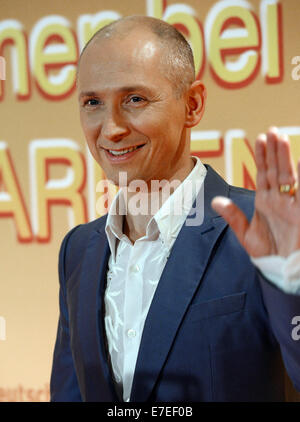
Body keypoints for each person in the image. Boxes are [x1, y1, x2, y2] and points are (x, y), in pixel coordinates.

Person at [50, 15, 300, 402]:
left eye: (135, 99)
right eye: (93, 103)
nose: (111, 127)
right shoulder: (78, 250)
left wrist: (293, 286)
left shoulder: (264, 230)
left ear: (193, 104)